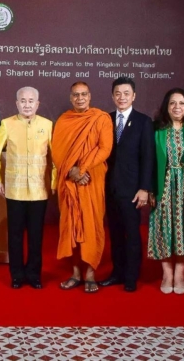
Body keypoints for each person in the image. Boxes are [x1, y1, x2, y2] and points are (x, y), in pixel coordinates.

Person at [52, 81, 113, 293]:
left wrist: (83, 169)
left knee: (91, 225)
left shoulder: (101, 118)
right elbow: (57, 152)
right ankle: (76, 274)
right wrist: (72, 171)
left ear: (90, 96)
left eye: (84, 94)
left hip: (92, 179)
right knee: (71, 226)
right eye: (76, 95)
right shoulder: (64, 120)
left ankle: (91, 275)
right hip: (70, 180)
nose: (80, 98)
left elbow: (105, 149)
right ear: (71, 98)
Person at [0, 86, 53, 289]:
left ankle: (34, 275)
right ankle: (16, 275)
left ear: (37, 104)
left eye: (31, 101)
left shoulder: (47, 125)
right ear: (17, 104)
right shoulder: (7, 124)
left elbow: (56, 159)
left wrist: (53, 183)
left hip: (39, 191)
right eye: (23, 101)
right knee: (15, 236)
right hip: (14, 190)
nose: (27, 105)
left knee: (36, 236)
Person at [147, 88, 184, 294]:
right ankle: (167, 273)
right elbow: (150, 161)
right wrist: (150, 189)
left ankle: (180, 274)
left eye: (181, 103)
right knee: (163, 228)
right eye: (172, 103)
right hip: (163, 187)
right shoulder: (157, 128)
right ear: (166, 106)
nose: (177, 107)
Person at [100, 77, 154, 293]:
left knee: (132, 234)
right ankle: (117, 273)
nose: (122, 97)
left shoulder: (143, 121)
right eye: (118, 93)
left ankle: (131, 277)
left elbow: (148, 157)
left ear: (134, 96)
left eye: (126, 93)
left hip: (132, 189)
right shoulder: (105, 119)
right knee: (114, 233)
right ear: (112, 96)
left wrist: (145, 188)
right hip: (109, 187)